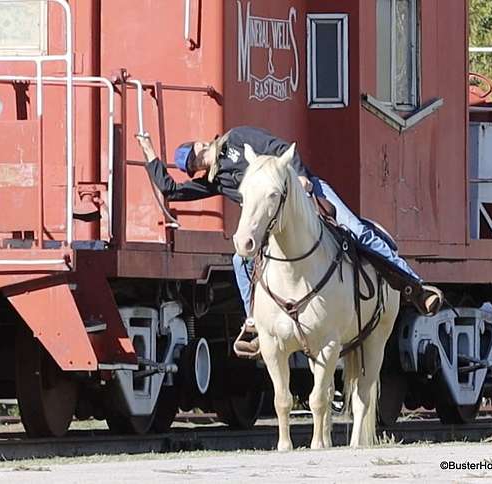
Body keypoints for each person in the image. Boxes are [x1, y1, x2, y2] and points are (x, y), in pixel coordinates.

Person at [136, 126, 443, 356]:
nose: (198, 164)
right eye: (193, 166)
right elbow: (172, 191)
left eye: (196, 157)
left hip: (308, 193)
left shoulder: (238, 138)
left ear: (202, 144)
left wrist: (300, 177)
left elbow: (281, 147)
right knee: (239, 260)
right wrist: (150, 154)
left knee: (358, 231)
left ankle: (415, 286)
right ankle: (254, 321)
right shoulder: (217, 180)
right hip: (278, 224)